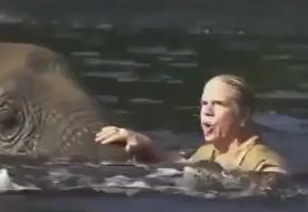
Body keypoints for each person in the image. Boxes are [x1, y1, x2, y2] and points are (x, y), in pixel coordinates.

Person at [95, 74, 288, 174]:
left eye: (218, 104)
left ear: (244, 114)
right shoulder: (209, 152)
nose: (207, 110)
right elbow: (171, 164)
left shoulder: (263, 162)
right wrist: (140, 143)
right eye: (204, 103)